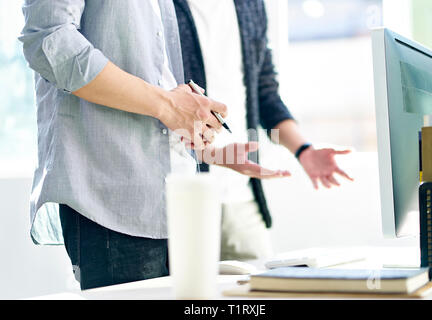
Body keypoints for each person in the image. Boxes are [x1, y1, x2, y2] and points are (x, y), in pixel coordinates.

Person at [19, 0, 289, 290]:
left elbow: (153, 78)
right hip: (113, 194)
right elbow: (50, 41)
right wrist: (169, 106)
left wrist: (202, 146)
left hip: (172, 200)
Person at [174, 0, 354, 261]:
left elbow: (265, 92)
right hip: (182, 197)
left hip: (241, 196)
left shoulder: (250, 5)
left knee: (263, 290)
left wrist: (305, 151)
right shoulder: (160, 6)